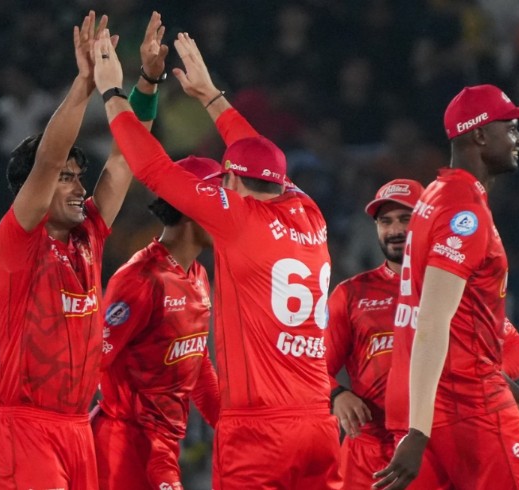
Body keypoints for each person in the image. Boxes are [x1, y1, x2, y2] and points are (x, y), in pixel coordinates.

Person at [91, 23, 341, 489]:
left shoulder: (238, 217)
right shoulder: (310, 212)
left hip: (260, 428)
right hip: (318, 425)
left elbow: (151, 167)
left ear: (230, 182)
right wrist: (211, 96)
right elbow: (262, 156)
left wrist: (111, 92)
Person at [375, 85, 519, 490]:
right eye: (510, 128)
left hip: (429, 400)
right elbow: (432, 322)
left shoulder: (435, 195)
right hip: (469, 406)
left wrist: (514, 395)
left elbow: (455, 324)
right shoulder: (463, 210)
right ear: (479, 134)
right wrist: (419, 432)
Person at [0, 12, 137, 489]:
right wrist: (84, 85)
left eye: (79, 178)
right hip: (25, 427)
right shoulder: (17, 241)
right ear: (33, 190)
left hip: (76, 427)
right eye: (65, 179)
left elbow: (126, 158)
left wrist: (145, 85)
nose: (78, 188)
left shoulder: (89, 236)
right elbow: (48, 159)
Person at [328, 179, 519, 488]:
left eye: (405, 219)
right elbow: (315, 365)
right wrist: (337, 394)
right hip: (369, 449)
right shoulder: (351, 294)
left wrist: (474, 381)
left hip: (437, 441)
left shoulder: (450, 284)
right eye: (385, 221)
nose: (395, 230)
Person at [93, 155, 222, 490]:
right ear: (191, 207)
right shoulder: (140, 278)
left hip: (162, 447)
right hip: (122, 447)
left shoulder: (198, 276)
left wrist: (230, 428)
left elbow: (197, 364)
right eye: (219, 203)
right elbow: (92, 362)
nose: (228, 215)